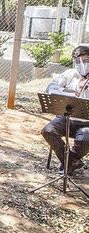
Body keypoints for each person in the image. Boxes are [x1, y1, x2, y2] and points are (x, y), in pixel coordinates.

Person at [41, 45, 89, 174]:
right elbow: (51, 87)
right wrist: (68, 91)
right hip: (66, 118)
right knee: (48, 131)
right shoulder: (70, 73)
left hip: (87, 123)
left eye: (85, 61)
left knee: (85, 139)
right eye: (78, 61)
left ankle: (69, 162)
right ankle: (72, 162)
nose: (82, 64)